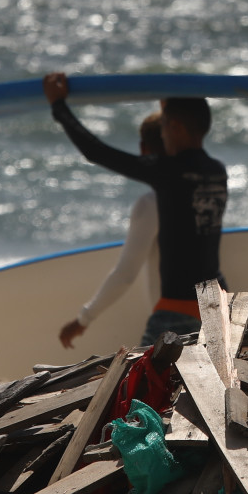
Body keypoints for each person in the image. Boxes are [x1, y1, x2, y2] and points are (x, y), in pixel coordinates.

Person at [43, 73, 227, 348]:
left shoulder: (168, 173)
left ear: (175, 127)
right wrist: (168, 105)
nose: (163, 135)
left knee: (139, 374)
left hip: (178, 310)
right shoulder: (217, 172)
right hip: (217, 303)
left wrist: (59, 106)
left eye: (165, 128)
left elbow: (97, 152)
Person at [58, 111, 165, 349]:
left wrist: (83, 319)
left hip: (171, 316)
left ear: (143, 148)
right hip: (213, 306)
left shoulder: (151, 203)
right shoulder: (203, 191)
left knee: (143, 373)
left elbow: (125, 274)